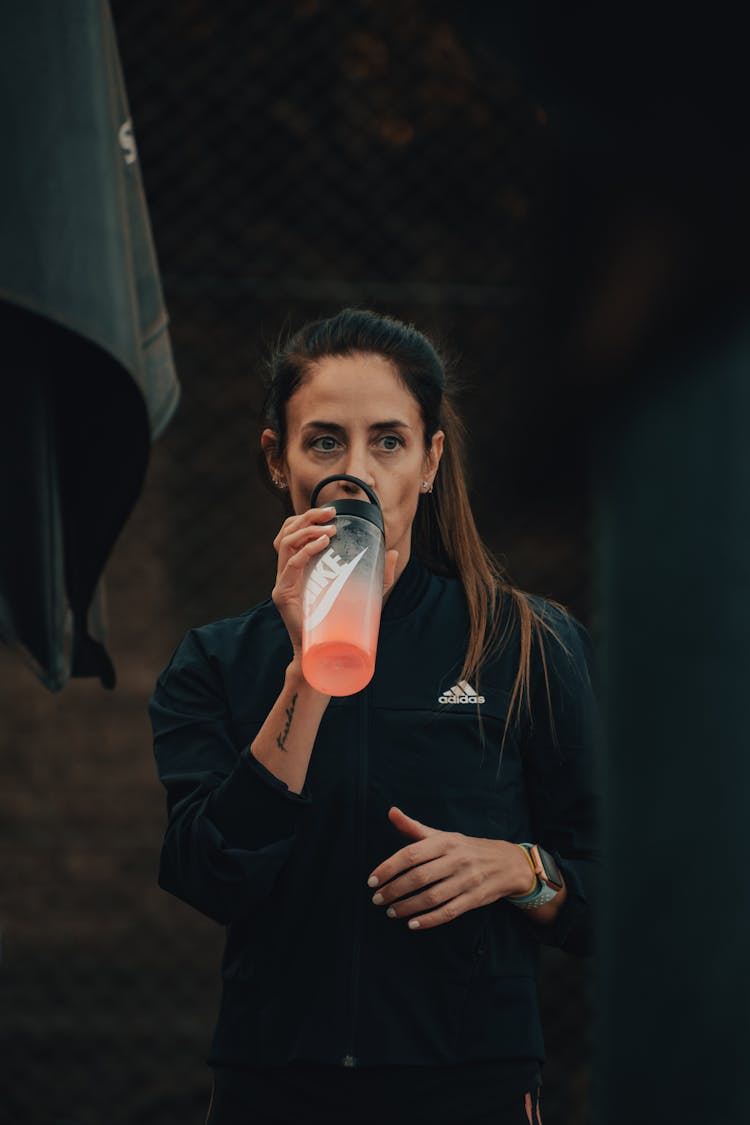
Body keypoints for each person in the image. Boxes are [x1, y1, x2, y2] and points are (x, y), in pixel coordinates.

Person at [149, 308, 598, 1125]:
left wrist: (521, 867)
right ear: (278, 463)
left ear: (428, 463)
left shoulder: (527, 641)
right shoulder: (215, 662)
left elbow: (617, 886)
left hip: (469, 1082)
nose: (355, 471)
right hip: (275, 1085)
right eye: (323, 442)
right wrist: (311, 667)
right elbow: (208, 875)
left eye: (387, 441)